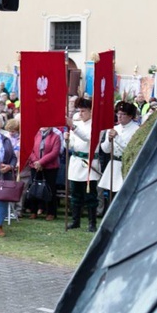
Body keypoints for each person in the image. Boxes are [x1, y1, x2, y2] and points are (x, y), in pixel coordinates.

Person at [65, 97, 101, 231]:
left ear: (91, 111)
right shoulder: (77, 124)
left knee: (91, 196)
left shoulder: (96, 124)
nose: (80, 114)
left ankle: (92, 223)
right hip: (76, 162)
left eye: (84, 111)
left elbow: (88, 138)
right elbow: (73, 145)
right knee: (75, 195)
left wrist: (73, 127)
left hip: (89, 162)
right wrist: (67, 140)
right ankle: (76, 220)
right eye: (79, 111)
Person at [96, 101, 139, 213]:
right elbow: (105, 149)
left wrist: (117, 138)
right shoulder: (114, 128)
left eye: (123, 114)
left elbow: (131, 150)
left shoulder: (136, 130)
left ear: (130, 116)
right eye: (118, 113)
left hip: (126, 163)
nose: (119, 116)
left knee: (123, 194)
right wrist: (109, 140)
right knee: (111, 193)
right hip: (113, 163)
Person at [26, 127, 61, 221]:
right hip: (35, 166)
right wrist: (36, 162)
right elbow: (30, 150)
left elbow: (55, 152)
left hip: (50, 167)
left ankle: (51, 212)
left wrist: (41, 162)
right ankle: (33, 210)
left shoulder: (56, 136)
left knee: (50, 189)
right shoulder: (34, 134)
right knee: (34, 187)